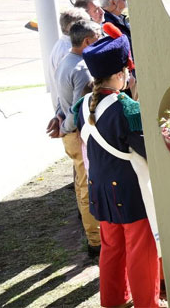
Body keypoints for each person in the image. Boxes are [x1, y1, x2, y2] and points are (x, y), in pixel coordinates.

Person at [74, 35, 160, 307]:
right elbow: (148, 150)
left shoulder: (82, 105)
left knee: (111, 247)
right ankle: (147, 303)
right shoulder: (126, 108)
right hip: (129, 190)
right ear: (121, 73)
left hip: (100, 188)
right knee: (140, 249)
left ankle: (114, 299)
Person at [48, 20, 103, 256]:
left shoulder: (65, 61)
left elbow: (63, 102)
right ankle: (96, 241)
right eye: (98, 38)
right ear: (87, 41)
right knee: (87, 187)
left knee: (83, 184)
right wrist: (64, 126)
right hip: (76, 134)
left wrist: (59, 118)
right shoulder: (81, 68)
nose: (101, 41)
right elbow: (77, 108)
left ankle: (94, 237)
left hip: (71, 132)